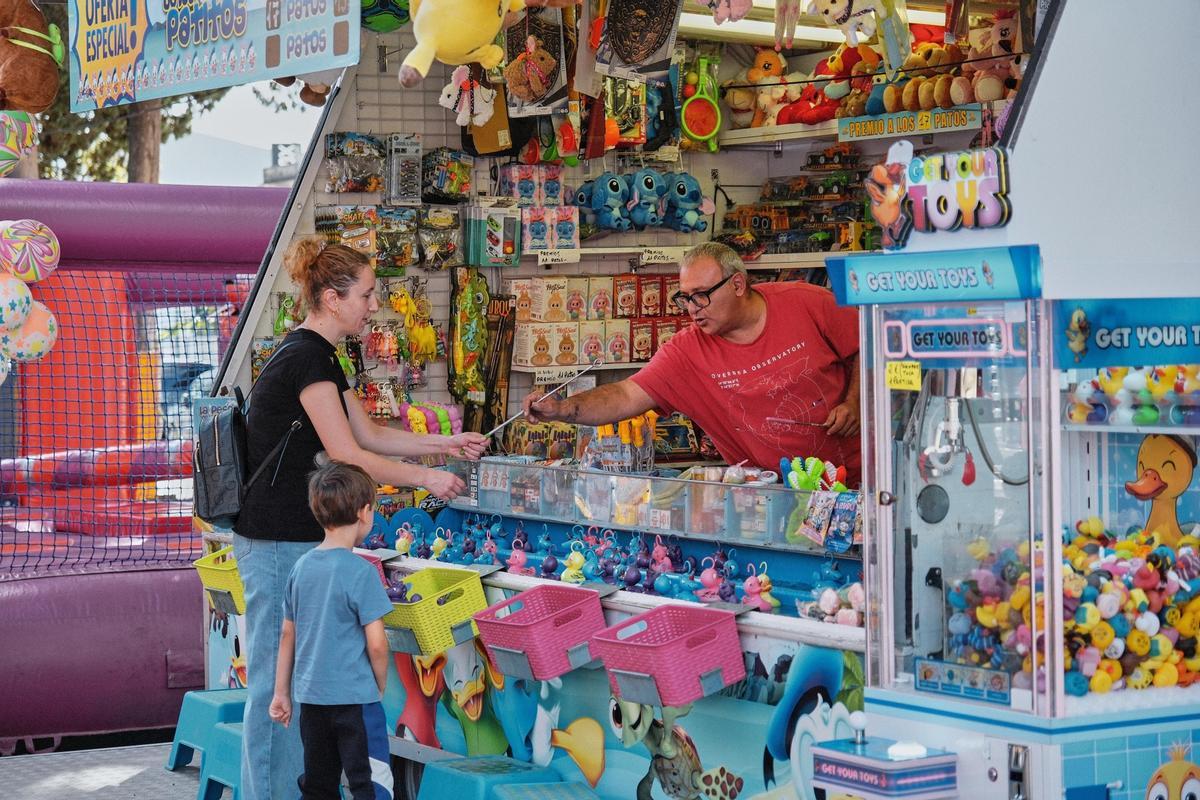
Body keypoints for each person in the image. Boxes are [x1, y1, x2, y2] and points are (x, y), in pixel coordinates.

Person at [235, 238, 488, 800]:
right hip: (275, 540)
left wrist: (444, 443)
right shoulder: (305, 358)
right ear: (331, 297)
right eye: (367, 295)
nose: (375, 306)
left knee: (302, 685)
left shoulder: (326, 355)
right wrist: (424, 478)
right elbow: (347, 453)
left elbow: (369, 434)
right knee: (276, 689)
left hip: (295, 539)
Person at [523, 241, 862, 481]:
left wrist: (855, 402)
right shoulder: (687, 351)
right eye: (685, 297)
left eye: (701, 295)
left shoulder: (806, 302)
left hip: (860, 482)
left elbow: (869, 346)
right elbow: (626, 395)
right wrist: (563, 409)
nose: (692, 307)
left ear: (738, 284)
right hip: (773, 493)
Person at [269, 461, 395, 800]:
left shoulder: (300, 568)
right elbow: (378, 645)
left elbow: (287, 636)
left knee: (319, 785)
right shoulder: (362, 572)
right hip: (357, 700)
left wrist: (281, 693)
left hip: (311, 700)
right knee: (369, 784)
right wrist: (379, 684)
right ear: (364, 512)